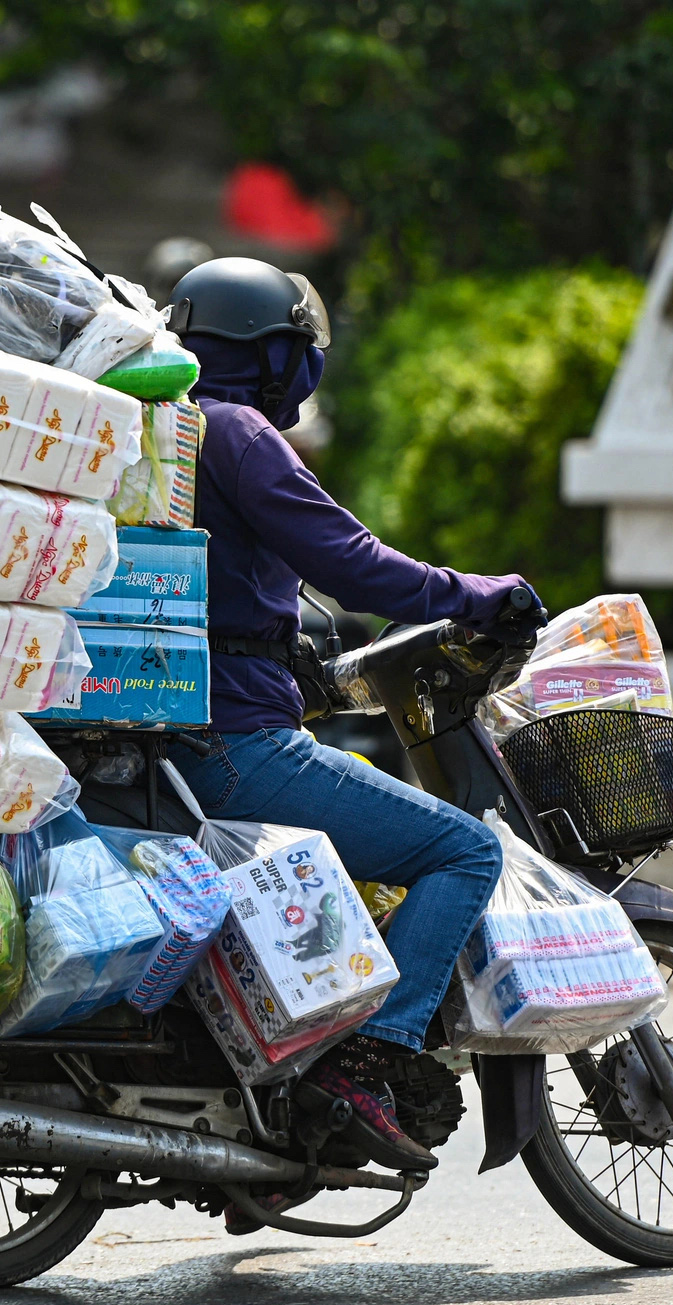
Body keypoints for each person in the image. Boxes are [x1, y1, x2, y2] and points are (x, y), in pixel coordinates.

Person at [163, 257, 541, 1198]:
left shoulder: (158, 429)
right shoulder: (239, 430)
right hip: (235, 747)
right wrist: (475, 592)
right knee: (461, 851)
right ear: (271, 355)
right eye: (300, 350)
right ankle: (365, 1069)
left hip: (164, 738)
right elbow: (353, 560)